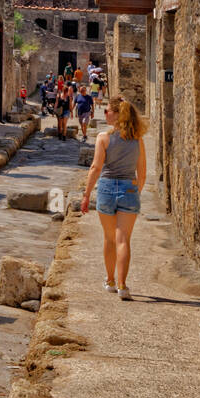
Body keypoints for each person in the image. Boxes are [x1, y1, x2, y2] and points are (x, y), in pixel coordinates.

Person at [80, 99, 148, 300]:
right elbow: (142, 173)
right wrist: (136, 191)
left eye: (107, 110)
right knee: (123, 240)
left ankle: (109, 280)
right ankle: (122, 285)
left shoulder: (103, 138)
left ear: (117, 114)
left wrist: (86, 195)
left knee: (110, 239)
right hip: (129, 187)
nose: (105, 113)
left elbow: (96, 168)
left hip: (107, 188)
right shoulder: (138, 139)